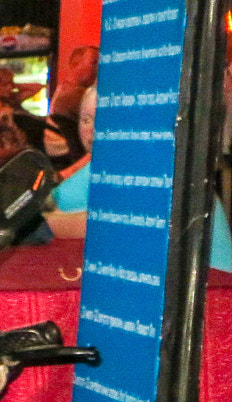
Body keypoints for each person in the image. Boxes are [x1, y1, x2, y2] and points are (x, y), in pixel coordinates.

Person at [47, 87, 232, 268]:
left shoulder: (138, 169)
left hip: (211, 287)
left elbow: (76, 222)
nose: (94, 129)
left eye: (104, 118)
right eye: (86, 120)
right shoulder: (108, 168)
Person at [0, 65, 40, 174]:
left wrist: (14, 85)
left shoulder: (12, 99)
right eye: (5, 85)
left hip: (24, 139)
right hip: (7, 145)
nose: (10, 88)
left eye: (11, 84)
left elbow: (39, 87)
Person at [49, 45, 99, 121]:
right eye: (94, 63)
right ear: (76, 63)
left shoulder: (63, 91)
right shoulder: (70, 97)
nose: (98, 70)